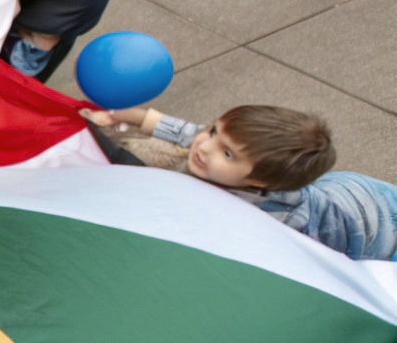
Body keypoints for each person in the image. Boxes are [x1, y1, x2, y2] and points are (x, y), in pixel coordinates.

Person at [83, 104, 397, 261]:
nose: (204, 146)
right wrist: (122, 117)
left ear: (259, 180)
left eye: (228, 153)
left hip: (375, 228)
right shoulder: (214, 149)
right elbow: (185, 131)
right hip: (349, 188)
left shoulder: (280, 222)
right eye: (214, 131)